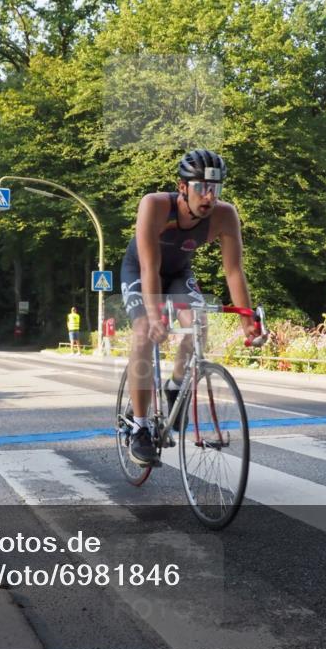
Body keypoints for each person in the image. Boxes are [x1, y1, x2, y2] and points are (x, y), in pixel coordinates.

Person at [120, 149, 260, 466]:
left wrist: (247, 321)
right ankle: (139, 427)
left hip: (178, 273)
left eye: (215, 188)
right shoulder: (154, 205)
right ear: (182, 187)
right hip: (140, 270)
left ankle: (175, 386)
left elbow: (234, 271)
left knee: (199, 323)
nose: (209, 196)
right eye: (201, 187)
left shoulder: (225, 215)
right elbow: (150, 268)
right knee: (144, 330)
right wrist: (155, 316)